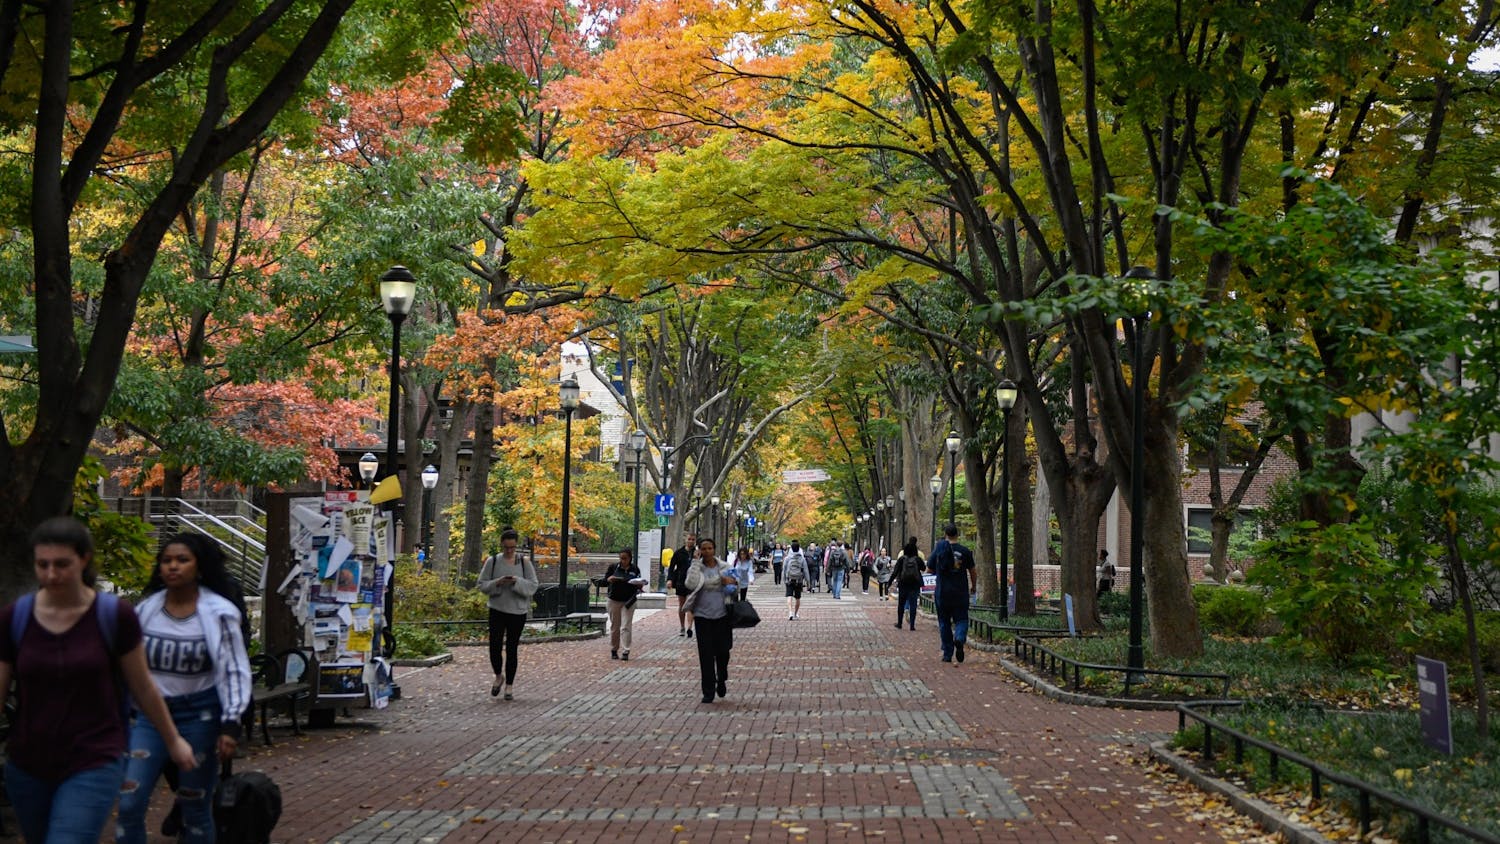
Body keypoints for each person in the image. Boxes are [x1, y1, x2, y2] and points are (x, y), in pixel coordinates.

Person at [0, 517, 197, 844]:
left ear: (84, 559)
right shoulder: (16, 618)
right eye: (42, 565)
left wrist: (173, 739)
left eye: (62, 564)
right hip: (28, 762)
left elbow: (143, 686)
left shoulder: (113, 616)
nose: (51, 574)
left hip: (94, 757)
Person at [119, 533, 253, 844]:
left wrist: (231, 723)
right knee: (129, 802)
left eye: (182, 560)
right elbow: (128, 664)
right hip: (150, 716)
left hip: (200, 716)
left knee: (194, 804)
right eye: (167, 561)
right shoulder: (146, 611)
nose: (173, 567)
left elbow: (234, 668)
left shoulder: (219, 613)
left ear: (200, 566)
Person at [477, 528, 539, 700]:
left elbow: (533, 585)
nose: (509, 551)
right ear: (502, 546)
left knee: (512, 649)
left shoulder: (524, 563)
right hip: (497, 609)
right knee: (494, 646)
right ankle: (499, 676)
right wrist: (498, 582)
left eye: (512, 547)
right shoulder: (493, 561)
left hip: (517, 611)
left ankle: (509, 686)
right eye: (506, 547)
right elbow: (482, 584)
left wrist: (516, 582)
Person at [684, 537, 737, 703]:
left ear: (714, 550)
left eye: (709, 549)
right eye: (703, 549)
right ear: (699, 551)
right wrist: (694, 562)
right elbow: (690, 585)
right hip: (702, 616)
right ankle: (708, 690)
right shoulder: (696, 568)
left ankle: (721, 678)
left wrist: (731, 583)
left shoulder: (725, 567)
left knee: (723, 652)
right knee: (705, 655)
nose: (707, 552)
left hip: (722, 615)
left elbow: (735, 587)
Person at [928, 524, 978, 663]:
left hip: (942, 592)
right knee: (961, 619)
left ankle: (947, 654)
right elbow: (973, 571)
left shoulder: (938, 551)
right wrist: (973, 586)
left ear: (945, 534)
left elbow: (929, 570)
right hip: (960, 592)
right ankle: (960, 638)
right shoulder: (965, 551)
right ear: (957, 535)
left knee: (944, 622)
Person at [602, 548, 643, 660]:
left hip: (628, 600)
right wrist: (610, 579)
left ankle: (626, 650)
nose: (623, 561)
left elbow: (639, 582)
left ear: (630, 558)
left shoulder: (635, 569)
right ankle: (614, 649)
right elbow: (605, 580)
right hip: (614, 599)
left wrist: (639, 585)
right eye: (621, 558)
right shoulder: (613, 567)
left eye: (625, 558)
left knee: (626, 626)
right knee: (615, 626)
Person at [666, 531, 698, 637]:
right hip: (681, 580)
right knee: (682, 604)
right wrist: (670, 579)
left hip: (693, 581)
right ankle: (682, 626)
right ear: (686, 539)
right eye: (689, 539)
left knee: (691, 603)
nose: (691, 541)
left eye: (693, 539)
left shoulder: (698, 553)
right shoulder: (678, 553)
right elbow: (671, 567)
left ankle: (689, 627)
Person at [893, 538, 924, 630]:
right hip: (914, 584)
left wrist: (889, 582)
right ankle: (912, 625)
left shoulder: (902, 559)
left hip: (903, 583)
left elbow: (895, 572)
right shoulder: (917, 559)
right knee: (913, 604)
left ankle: (899, 623)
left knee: (901, 604)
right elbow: (923, 568)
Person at [783, 541, 810, 620]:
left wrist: (784, 579)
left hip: (789, 579)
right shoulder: (802, 559)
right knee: (798, 597)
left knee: (789, 595)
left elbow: (784, 570)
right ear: (799, 549)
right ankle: (796, 613)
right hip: (799, 580)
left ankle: (790, 612)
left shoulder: (787, 558)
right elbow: (805, 571)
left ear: (791, 548)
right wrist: (808, 582)